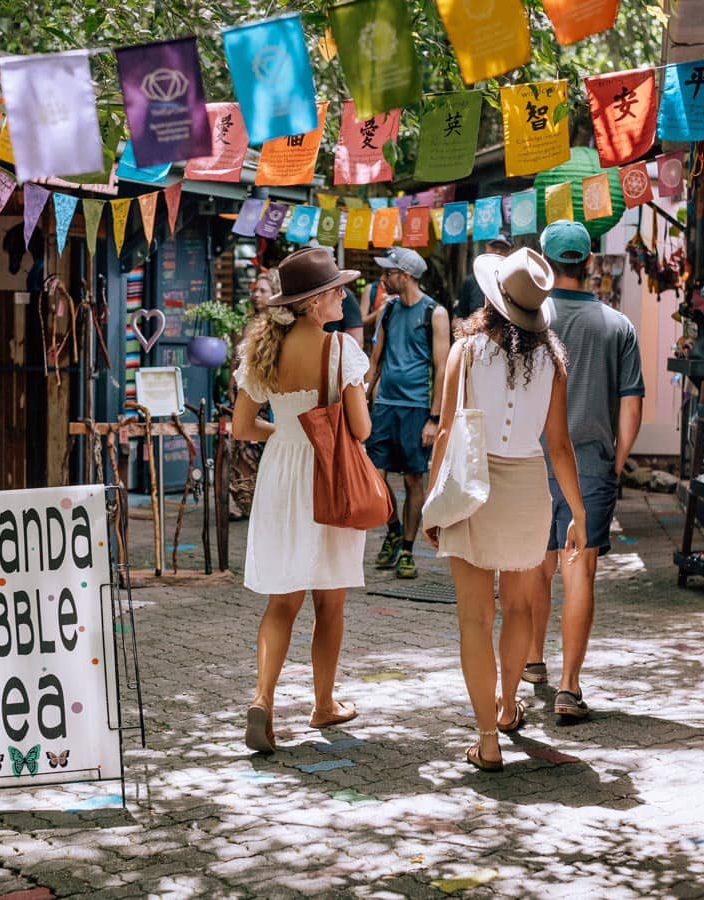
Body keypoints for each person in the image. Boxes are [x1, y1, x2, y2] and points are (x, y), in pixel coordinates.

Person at [423, 247, 587, 772]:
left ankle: (487, 738)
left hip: (473, 483)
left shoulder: (466, 351)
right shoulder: (554, 360)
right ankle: (509, 704)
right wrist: (579, 513)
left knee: (475, 617)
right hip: (528, 490)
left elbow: (446, 430)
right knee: (520, 609)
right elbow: (559, 444)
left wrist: (431, 502)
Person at [233, 247, 373, 754]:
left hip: (281, 474)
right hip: (328, 475)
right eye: (337, 289)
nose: (344, 295)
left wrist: (287, 431)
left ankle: (262, 701)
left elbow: (243, 427)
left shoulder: (263, 351)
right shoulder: (341, 352)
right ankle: (323, 703)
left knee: (282, 598)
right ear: (315, 303)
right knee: (329, 600)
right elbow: (360, 429)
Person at [526, 220, 644, 720]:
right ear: (589, 264)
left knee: (536, 562)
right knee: (580, 569)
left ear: (548, 266)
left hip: (531, 459)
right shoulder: (618, 326)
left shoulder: (528, 318)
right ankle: (569, 689)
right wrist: (616, 463)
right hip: (591, 463)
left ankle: (532, 660)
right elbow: (631, 405)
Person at [367, 247, 450, 579]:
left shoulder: (435, 312)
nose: (383, 278)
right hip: (385, 404)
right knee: (375, 475)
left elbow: (442, 368)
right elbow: (375, 361)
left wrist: (434, 417)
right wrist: (363, 396)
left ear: (406, 275)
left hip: (417, 407)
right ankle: (393, 528)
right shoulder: (388, 310)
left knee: (415, 478)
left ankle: (406, 548)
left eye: (388, 273)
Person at [228, 269, 281, 518]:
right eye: (255, 290)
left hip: (266, 398)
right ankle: (245, 498)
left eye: (263, 290)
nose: (257, 295)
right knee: (241, 449)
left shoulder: (280, 329)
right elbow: (236, 362)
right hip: (245, 393)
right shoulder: (247, 324)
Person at [454, 232, 514, 320]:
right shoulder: (472, 281)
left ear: (511, 251)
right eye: (494, 247)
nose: (498, 252)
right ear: (486, 247)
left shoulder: (515, 281)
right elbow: (457, 319)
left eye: (503, 248)